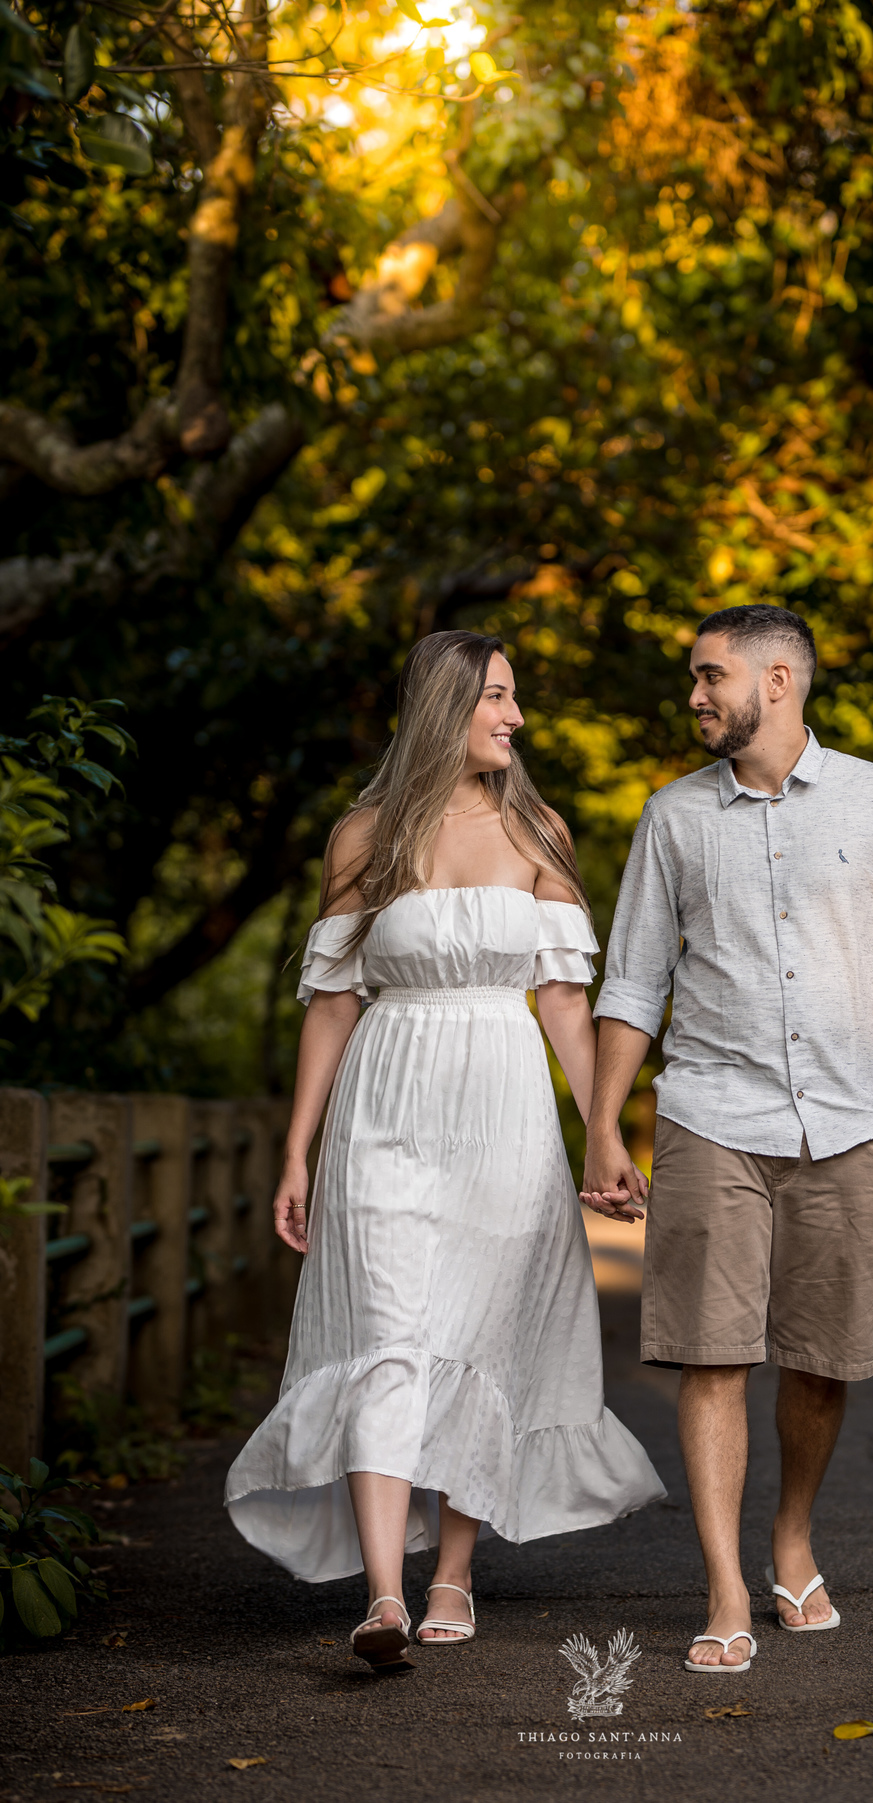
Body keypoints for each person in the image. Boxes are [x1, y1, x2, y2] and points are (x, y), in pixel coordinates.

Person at [226, 630, 664, 1667]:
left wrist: (603, 1131)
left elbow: (565, 1003)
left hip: (505, 1109)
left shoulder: (539, 832)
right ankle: (383, 1595)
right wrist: (297, 1151)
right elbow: (332, 1003)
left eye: (514, 697)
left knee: (481, 1336)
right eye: (498, 697)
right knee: (385, 1333)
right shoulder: (363, 838)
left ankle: (453, 1572)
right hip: (385, 1106)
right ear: (445, 706)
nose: (517, 717)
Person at [581, 603, 873, 1674]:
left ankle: (792, 1538)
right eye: (695, 677)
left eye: (710, 675)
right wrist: (602, 1125)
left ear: (777, 680)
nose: (694, 695)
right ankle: (726, 1587)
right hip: (710, 1117)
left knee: (822, 1361)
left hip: (850, 1125)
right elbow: (633, 983)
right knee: (712, 1354)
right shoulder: (673, 818)